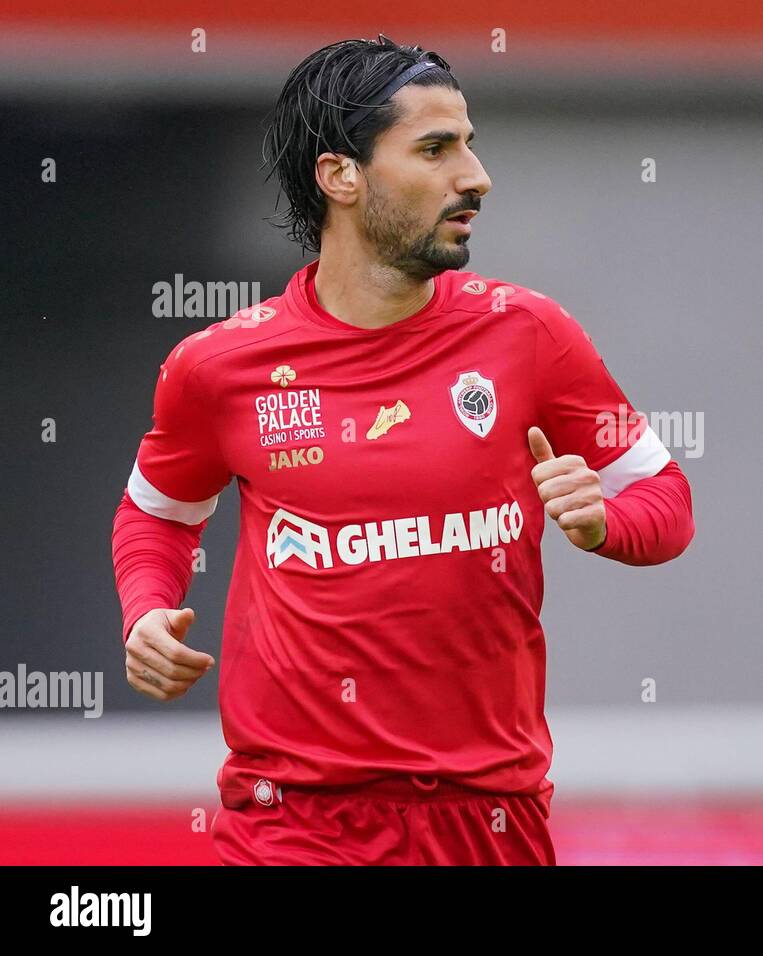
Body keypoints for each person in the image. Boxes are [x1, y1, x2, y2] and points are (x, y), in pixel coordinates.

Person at [110, 35, 695, 865]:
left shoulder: (529, 334)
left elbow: (667, 501)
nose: (476, 177)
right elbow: (156, 517)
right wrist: (145, 613)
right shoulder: (219, 368)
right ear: (341, 175)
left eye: (470, 143)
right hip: (292, 821)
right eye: (435, 148)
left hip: (489, 820)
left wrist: (607, 521)